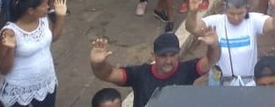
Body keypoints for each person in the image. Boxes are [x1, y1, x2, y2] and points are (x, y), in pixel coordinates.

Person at [89, 30, 220, 107]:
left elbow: (211, 60)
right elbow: (108, 74)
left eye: (173, 55)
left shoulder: (187, 70)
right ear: (153, 55)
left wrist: (214, 45)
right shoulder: (139, 74)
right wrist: (98, 63)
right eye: (163, 56)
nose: (168, 60)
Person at [186, 0, 275, 85]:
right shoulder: (216, 22)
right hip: (220, 82)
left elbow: (274, 24)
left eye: (240, 13)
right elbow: (193, 27)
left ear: (247, 9)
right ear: (225, 10)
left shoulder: (253, 20)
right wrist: (193, 12)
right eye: (231, 14)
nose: (236, 17)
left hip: (248, 82)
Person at [0, 0, 66, 107]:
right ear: (31, 11)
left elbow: (53, 37)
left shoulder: (43, 20)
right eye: (44, 5)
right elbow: (3, 69)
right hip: (20, 90)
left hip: (46, 83)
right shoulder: (9, 32)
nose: (48, 7)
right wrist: (10, 48)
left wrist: (61, 16)